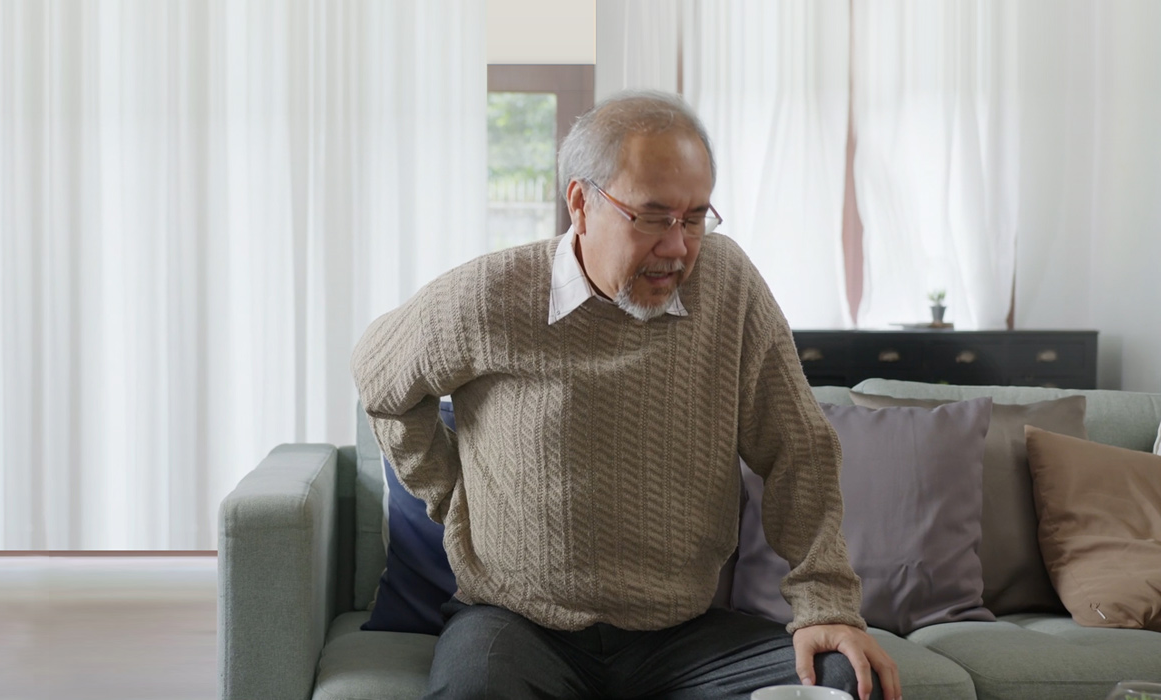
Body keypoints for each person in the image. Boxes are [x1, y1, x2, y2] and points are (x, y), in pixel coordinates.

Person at [351, 91, 901, 700]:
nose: (677, 247)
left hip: (681, 635)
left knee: (845, 683)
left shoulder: (729, 285)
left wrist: (826, 602)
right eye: (652, 216)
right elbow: (380, 379)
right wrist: (450, 492)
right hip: (515, 626)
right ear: (581, 204)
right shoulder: (490, 296)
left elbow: (799, 448)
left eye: (695, 218)